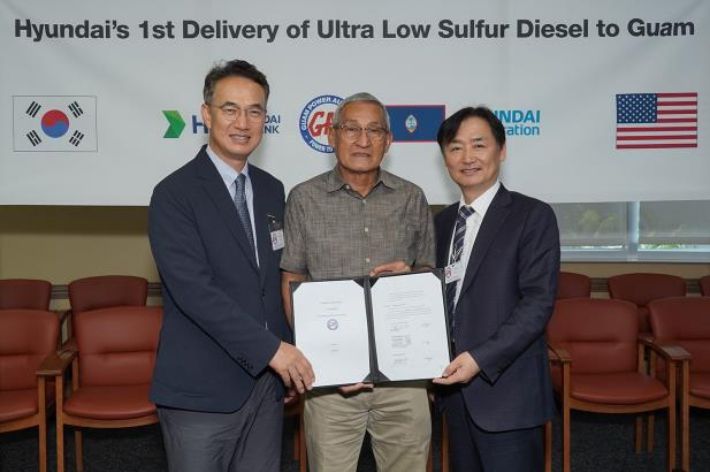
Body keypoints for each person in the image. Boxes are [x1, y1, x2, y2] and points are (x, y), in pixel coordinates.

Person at [148, 59, 314, 472]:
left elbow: (275, 282)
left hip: (266, 388)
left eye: (255, 111)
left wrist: (291, 355)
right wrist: (275, 352)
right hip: (201, 392)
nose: (243, 122)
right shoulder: (174, 194)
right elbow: (195, 292)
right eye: (230, 109)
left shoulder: (272, 190)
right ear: (206, 114)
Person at [281, 92, 435, 472]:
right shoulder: (303, 199)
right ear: (332, 135)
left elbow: (429, 280)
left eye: (374, 130)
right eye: (351, 129)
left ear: (388, 140)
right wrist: (316, 362)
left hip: (403, 379)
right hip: (330, 384)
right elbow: (292, 279)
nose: (363, 140)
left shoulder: (412, 198)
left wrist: (411, 278)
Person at [432, 106, 559, 471]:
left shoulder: (532, 216)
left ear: (501, 150)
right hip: (455, 395)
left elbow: (537, 304)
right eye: (455, 148)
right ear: (445, 158)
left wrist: (479, 359)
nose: (467, 157)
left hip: (508, 395)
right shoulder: (441, 223)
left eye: (478, 145)